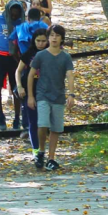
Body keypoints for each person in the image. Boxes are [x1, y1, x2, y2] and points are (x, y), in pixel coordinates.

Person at [27, 24, 75, 171]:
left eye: (57, 35)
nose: (54, 38)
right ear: (48, 37)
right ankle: (41, 151)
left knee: (56, 128)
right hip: (42, 95)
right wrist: (30, 96)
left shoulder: (65, 57)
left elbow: (70, 75)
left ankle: (51, 158)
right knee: (42, 124)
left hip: (59, 96)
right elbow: (30, 75)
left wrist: (71, 94)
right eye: (52, 35)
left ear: (62, 39)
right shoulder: (41, 55)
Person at [15, 29, 49, 166]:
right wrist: (19, 87)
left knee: (44, 123)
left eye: (43, 41)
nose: (40, 44)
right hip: (29, 91)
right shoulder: (28, 54)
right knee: (33, 122)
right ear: (33, 41)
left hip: (45, 92)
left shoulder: (50, 54)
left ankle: (43, 149)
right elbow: (18, 71)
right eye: (38, 41)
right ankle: (36, 151)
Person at [0, 0, 25, 131]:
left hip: (15, 58)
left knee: (17, 88)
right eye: (13, 13)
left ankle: (17, 117)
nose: (14, 16)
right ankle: (0, 115)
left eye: (17, 13)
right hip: (0, 56)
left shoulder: (21, 22)